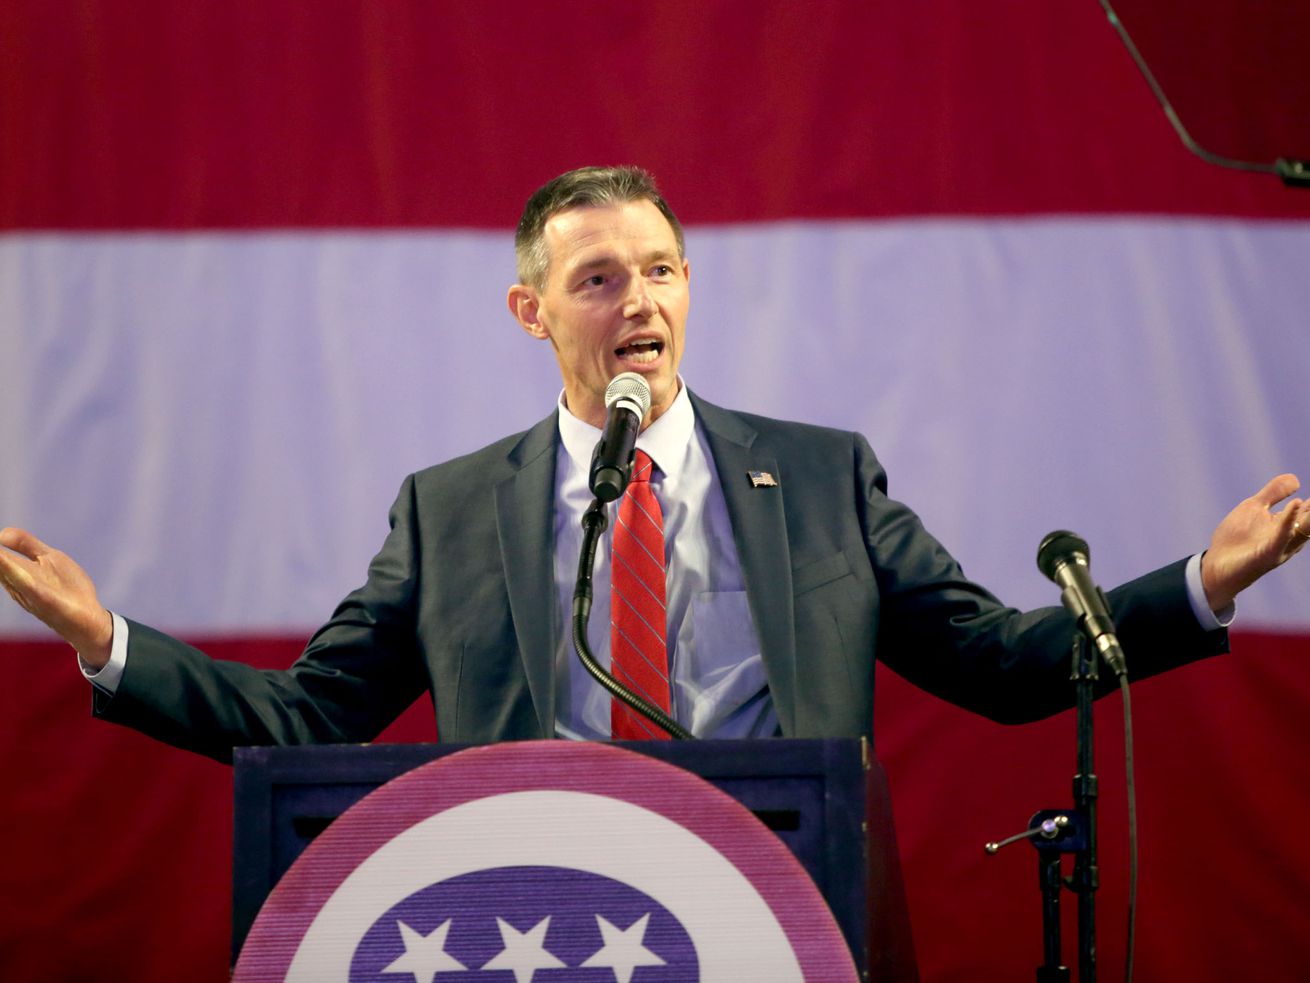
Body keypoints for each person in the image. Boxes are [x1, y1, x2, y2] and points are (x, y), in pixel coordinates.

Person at [1, 165, 1307, 762]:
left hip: (783, 900)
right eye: (599, 278)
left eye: (662, 270)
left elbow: (1002, 667)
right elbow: (310, 720)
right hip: (526, 915)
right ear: (532, 311)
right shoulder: (451, 511)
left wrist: (1198, 581)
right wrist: (111, 639)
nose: (640, 301)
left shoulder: (818, 478)